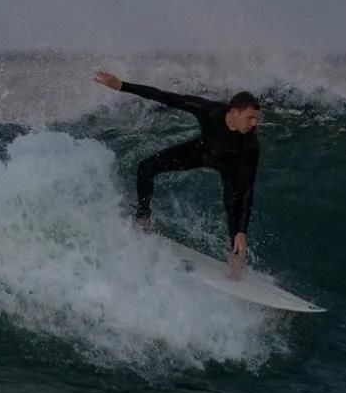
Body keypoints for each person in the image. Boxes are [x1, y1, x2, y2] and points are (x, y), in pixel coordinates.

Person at [94, 71, 260, 277]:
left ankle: (236, 262)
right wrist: (123, 86)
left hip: (229, 168)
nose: (254, 123)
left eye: (256, 118)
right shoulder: (211, 111)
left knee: (233, 206)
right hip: (200, 152)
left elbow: (247, 188)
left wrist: (242, 230)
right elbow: (167, 97)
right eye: (250, 117)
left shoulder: (250, 145)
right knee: (146, 167)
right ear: (234, 112)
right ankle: (143, 217)